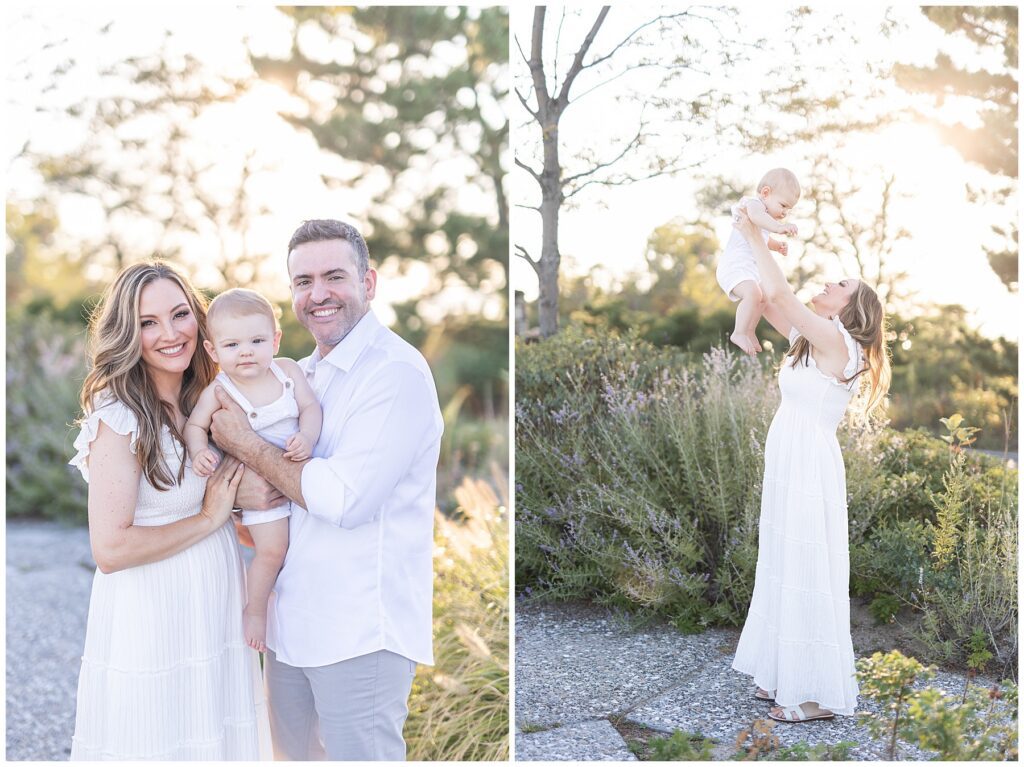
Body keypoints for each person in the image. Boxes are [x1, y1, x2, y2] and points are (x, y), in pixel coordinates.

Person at [209, 219, 444, 760]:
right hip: (290, 625)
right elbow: (272, 496)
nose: (318, 295)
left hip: (358, 632)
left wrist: (244, 444)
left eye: (334, 276)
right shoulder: (300, 373)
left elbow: (343, 500)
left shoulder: (394, 372)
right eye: (302, 281)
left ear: (369, 282)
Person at [68, 261, 271, 760]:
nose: (170, 333)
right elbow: (110, 549)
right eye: (147, 323)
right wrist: (208, 518)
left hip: (215, 606)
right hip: (155, 614)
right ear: (126, 333)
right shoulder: (118, 416)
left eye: (180, 314)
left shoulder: (204, 402)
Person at [729, 207, 891, 723]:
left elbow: (779, 295)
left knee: (806, 567)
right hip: (789, 457)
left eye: (839, 283)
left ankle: (815, 696)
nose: (827, 281)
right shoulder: (809, 340)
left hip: (810, 465)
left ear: (852, 308)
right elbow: (765, 298)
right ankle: (784, 672)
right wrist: (744, 249)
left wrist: (754, 229)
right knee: (781, 561)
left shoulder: (839, 342)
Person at [184, 288, 322, 654]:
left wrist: (307, 437)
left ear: (275, 340)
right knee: (273, 552)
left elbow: (310, 408)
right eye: (231, 345)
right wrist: (199, 452)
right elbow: (195, 426)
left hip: (300, 477)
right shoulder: (220, 390)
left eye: (257, 340)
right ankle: (255, 611)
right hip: (264, 496)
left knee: (308, 554)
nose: (246, 351)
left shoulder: (288, 372)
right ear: (213, 351)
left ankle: (300, 618)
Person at [716, 168, 801, 355]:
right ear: (765, 193)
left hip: (748, 268)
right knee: (753, 293)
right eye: (783, 205)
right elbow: (756, 217)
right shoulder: (753, 204)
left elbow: (763, 239)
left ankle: (749, 330)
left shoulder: (765, 220)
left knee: (763, 296)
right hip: (734, 266)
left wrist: (777, 245)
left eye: (789, 209)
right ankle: (738, 332)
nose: (785, 212)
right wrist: (779, 227)